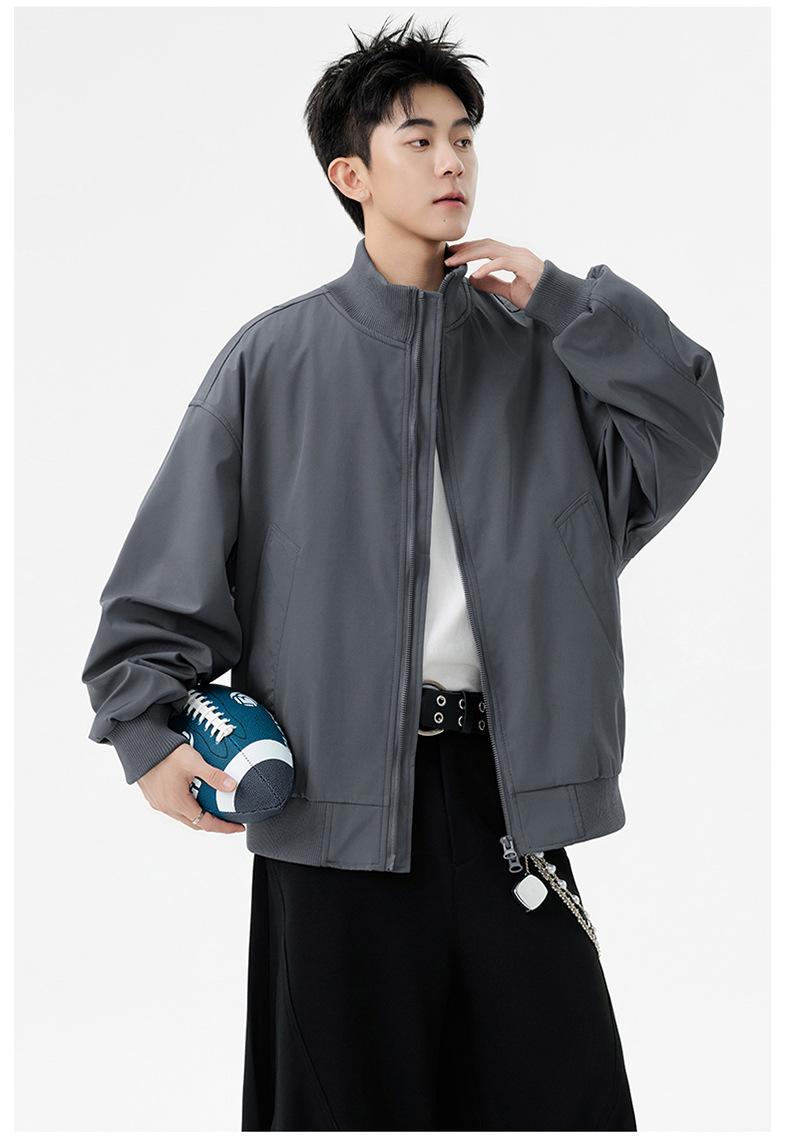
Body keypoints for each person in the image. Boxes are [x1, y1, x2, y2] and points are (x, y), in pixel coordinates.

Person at [81, 13, 724, 1131]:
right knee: (343, 1111)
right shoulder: (273, 360)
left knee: (563, 1103)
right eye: (417, 139)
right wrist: (146, 731)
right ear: (351, 174)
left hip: (507, 797)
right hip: (332, 805)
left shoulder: (546, 354)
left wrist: (565, 300)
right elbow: (161, 581)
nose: (451, 160)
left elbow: (687, 420)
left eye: (463, 137)